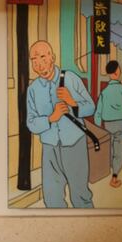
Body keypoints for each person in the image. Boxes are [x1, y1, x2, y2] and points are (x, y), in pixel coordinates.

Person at [24, 40, 96, 207]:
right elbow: (31, 123)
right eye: (34, 59)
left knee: (81, 196)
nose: (39, 64)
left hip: (74, 145)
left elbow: (91, 107)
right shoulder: (33, 89)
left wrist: (72, 101)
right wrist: (51, 118)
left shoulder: (70, 78)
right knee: (52, 199)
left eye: (42, 57)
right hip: (49, 148)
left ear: (53, 57)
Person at [94, 60, 122, 188]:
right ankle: (115, 174)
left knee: (109, 147)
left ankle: (109, 167)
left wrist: (98, 124)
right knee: (119, 148)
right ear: (117, 72)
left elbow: (98, 111)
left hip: (108, 124)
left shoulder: (104, 92)